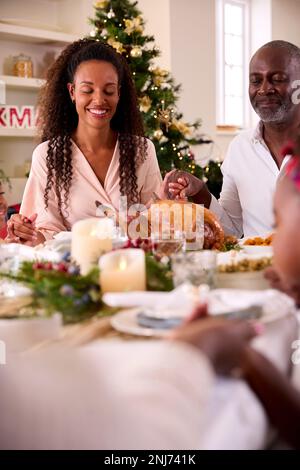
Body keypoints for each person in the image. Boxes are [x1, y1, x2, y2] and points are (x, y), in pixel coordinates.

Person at [7, 38, 162, 246]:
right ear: (72, 92)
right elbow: (45, 231)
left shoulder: (142, 150)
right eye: (87, 90)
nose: (99, 100)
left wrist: (151, 219)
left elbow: (157, 223)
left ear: (119, 93)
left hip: (129, 265)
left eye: (108, 90)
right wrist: (28, 232)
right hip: (73, 271)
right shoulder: (47, 155)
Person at [164, 40, 300, 238]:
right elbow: (231, 230)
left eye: (277, 79)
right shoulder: (240, 147)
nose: (264, 89)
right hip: (255, 268)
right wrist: (200, 191)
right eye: (255, 80)